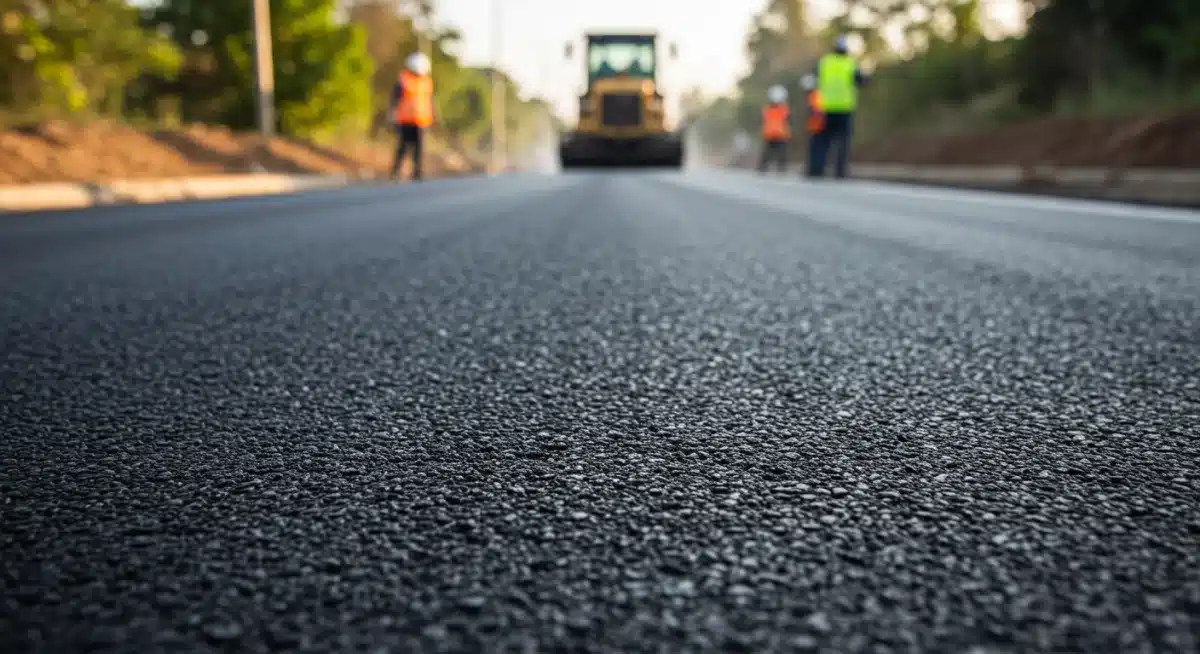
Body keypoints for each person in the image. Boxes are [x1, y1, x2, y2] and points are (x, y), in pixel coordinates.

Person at [806, 35, 868, 179]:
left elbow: (812, 82)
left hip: (825, 108)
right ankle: (840, 171)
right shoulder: (850, 64)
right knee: (843, 142)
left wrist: (812, 105)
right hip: (844, 109)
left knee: (821, 141)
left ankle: (816, 169)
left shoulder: (825, 62)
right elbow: (861, 81)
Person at [390, 52, 435, 181]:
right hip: (405, 120)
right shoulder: (404, 80)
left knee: (419, 148)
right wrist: (393, 115)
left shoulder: (427, 82)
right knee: (403, 146)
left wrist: (433, 117)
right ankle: (396, 171)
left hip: (421, 120)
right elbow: (395, 99)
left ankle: (417, 172)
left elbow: (430, 101)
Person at [758, 84, 791, 173]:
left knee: (776, 153)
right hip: (775, 134)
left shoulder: (767, 109)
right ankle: (773, 168)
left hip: (777, 134)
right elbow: (787, 118)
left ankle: (774, 168)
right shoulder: (783, 109)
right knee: (770, 153)